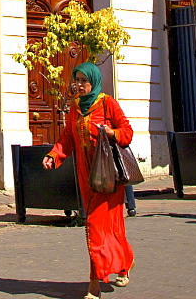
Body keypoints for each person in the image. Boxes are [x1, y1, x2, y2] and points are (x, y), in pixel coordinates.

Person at [42, 62, 134, 299]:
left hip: (109, 177)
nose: (79, 85)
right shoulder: (75, 108)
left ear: (93, 81)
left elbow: (127, 132)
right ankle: (123, 263)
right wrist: (54, 155)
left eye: (84, 81)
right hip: (86, 177)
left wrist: (112, 132)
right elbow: (67, 138)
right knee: (109, 227)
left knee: (97, 226)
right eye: (77, 80)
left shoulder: (107, 103)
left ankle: (94, 283)